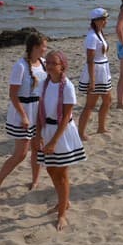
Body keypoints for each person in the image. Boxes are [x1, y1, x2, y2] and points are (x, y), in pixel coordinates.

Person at [0, 33, 48, 197]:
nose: (46, 49)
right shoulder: (20, 66)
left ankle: (35, 180)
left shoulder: (42, 63)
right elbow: (13, 94)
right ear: (35, 47)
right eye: (44, 46)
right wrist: (23, 116)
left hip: (37, 110)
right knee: (20, 154)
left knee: (38, 148)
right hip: (23, 110)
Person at [32, 50, 86, 231]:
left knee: (61, 175)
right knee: (50, 169)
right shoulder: (44, 84)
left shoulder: (67, 86)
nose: (49, 65)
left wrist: (54, 141)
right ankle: (64, 201)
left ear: (62, 65)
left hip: (61, 132)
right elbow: (40, 111)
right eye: (47, 62)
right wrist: (38, 134)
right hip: (47, 128)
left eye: (53, 63)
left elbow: (65, 118)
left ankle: (62, 213)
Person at [77, 8, 112, 141]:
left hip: (103, 71)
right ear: (96, 21)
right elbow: (90, 60)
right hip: (96, 72)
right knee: (90, 105)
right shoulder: (92, 36)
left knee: (107, 100)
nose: (105, 21)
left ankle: (101, 127)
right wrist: (92, 81)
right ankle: (81, 133)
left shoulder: (99, 33)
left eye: (105, 19)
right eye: (103, 19)